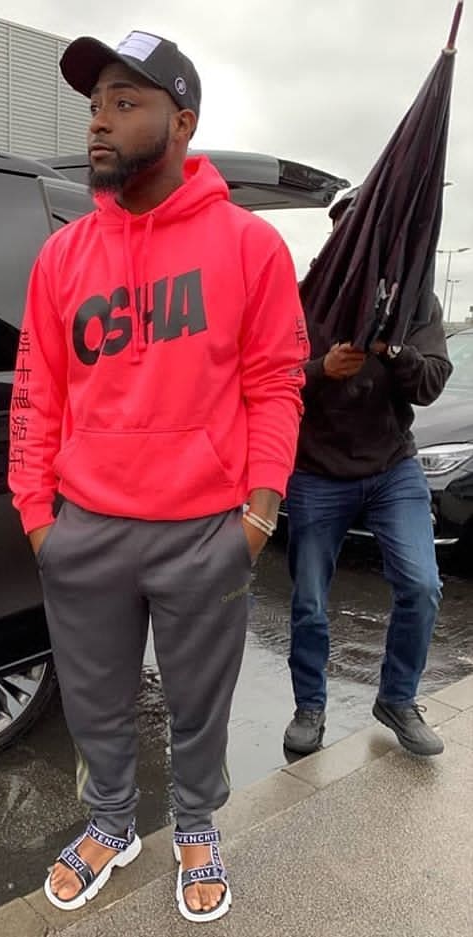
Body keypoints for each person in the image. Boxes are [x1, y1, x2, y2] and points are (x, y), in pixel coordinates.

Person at [8, 30, 308, 924]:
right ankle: (110, 823)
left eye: (124, 102)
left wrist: (256, 519)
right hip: (85, 528)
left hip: (205, 528)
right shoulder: (63, 257)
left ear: (182, 122)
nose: (98, 121)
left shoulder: (250, 246)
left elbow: (276, 385)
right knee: (94, 701)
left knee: (199, 702)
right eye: (94, 104)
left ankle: (196, 823)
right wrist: (38, 519)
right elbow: (36, 393)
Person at [283, 187, 453, 759]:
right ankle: (309, 706)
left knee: (422, 586)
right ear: (335, 235)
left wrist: (393, 350)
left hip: (391, 469)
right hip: (316, 472)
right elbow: (268, 379)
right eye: (347, 227)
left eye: (370, 228)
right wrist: (321, 369)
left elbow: (431, 383)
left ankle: (398, 698)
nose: (358, 238)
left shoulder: (415, 301)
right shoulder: (305, 297)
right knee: (310, 599)